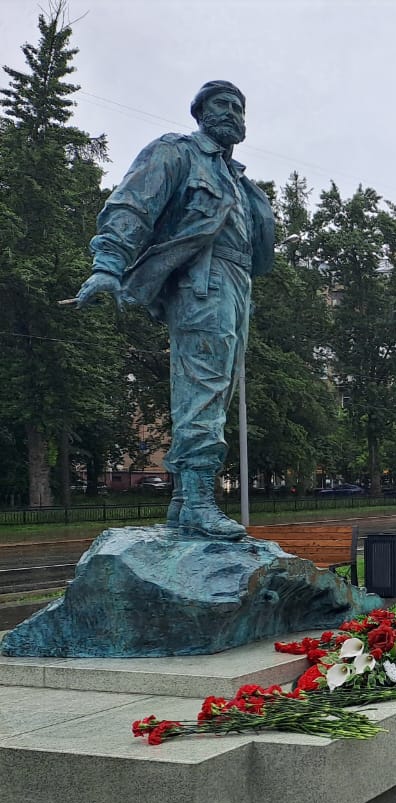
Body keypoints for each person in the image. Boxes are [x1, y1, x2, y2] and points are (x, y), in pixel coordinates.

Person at [76, 81, 274, 540]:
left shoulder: (240, 181)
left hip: (238, 285)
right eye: (220, 104)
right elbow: (132, 205)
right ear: (199, 114)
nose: (231, 113)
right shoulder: (176, 152)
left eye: (238, 107)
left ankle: (186, 502)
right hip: (201, 283)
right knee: (203, 388)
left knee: (217, 393)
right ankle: (201, 500)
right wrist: (108, 264)